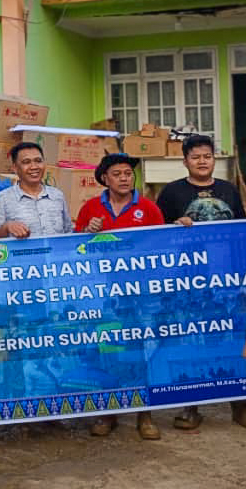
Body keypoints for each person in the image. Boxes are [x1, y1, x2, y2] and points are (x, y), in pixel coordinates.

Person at [158, 135, 246, 433]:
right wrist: (174, 227)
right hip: (189, 282)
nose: (202, 161)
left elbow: (241, 233)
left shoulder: (229, 190)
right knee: (193, 340)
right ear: (185, 161)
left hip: (229, 279)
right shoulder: (171, 193)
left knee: (235, 340)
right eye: (196, 157)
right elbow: (156, 235)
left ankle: (242, 406)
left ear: (213, 159)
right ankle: (191, 407)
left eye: (207, 156)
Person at [75, 152, 164, 440]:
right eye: (118, 174)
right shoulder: (90, 208)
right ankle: (108, 412)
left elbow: (160, 251)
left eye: (128, 173)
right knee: (108, 351)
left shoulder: (149, 209)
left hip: (140, 299)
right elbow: (76, 253)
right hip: (105, 298)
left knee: (142, 353)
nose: (125, 178)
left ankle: (145, 415)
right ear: (105, 178)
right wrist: (87, 234)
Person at [0, 141, 74, 239]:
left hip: (56, 254)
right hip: (20, 254)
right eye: (26, 162)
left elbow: (68, 232)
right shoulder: (2, 199)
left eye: (38, 161)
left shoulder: (57, 196)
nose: (34, 167)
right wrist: (6, 228)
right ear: (15, 168)